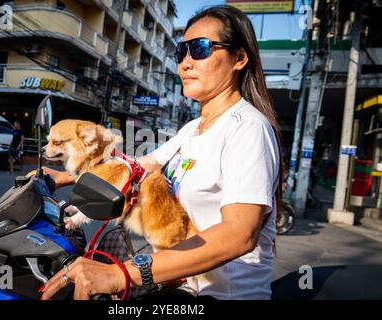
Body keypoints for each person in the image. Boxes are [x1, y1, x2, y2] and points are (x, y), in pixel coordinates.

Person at [41, 5, 283, 300]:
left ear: (239, 58)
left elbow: (239, 233)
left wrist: (122, 274)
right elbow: (132, 167)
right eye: (182, 52)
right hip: (178, 284)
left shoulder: (247, 127)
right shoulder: (192, 129)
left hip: (221, 296)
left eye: (200, 48)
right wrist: (63, 177)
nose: (185, 63)